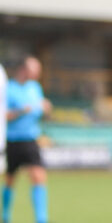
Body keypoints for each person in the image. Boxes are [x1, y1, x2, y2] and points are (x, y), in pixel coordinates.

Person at [4, 57, 51, 223]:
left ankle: (41, 219)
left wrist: (45, 108)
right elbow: (5, 116)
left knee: (39, 177)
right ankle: (5, 215)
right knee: (10, 180)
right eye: (35, 69)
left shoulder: (35, 87)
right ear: (24, 70)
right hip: (13, 140)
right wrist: (21, 111)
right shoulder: (8, 89)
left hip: (30, 140)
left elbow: (39, 111)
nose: (38, 73)